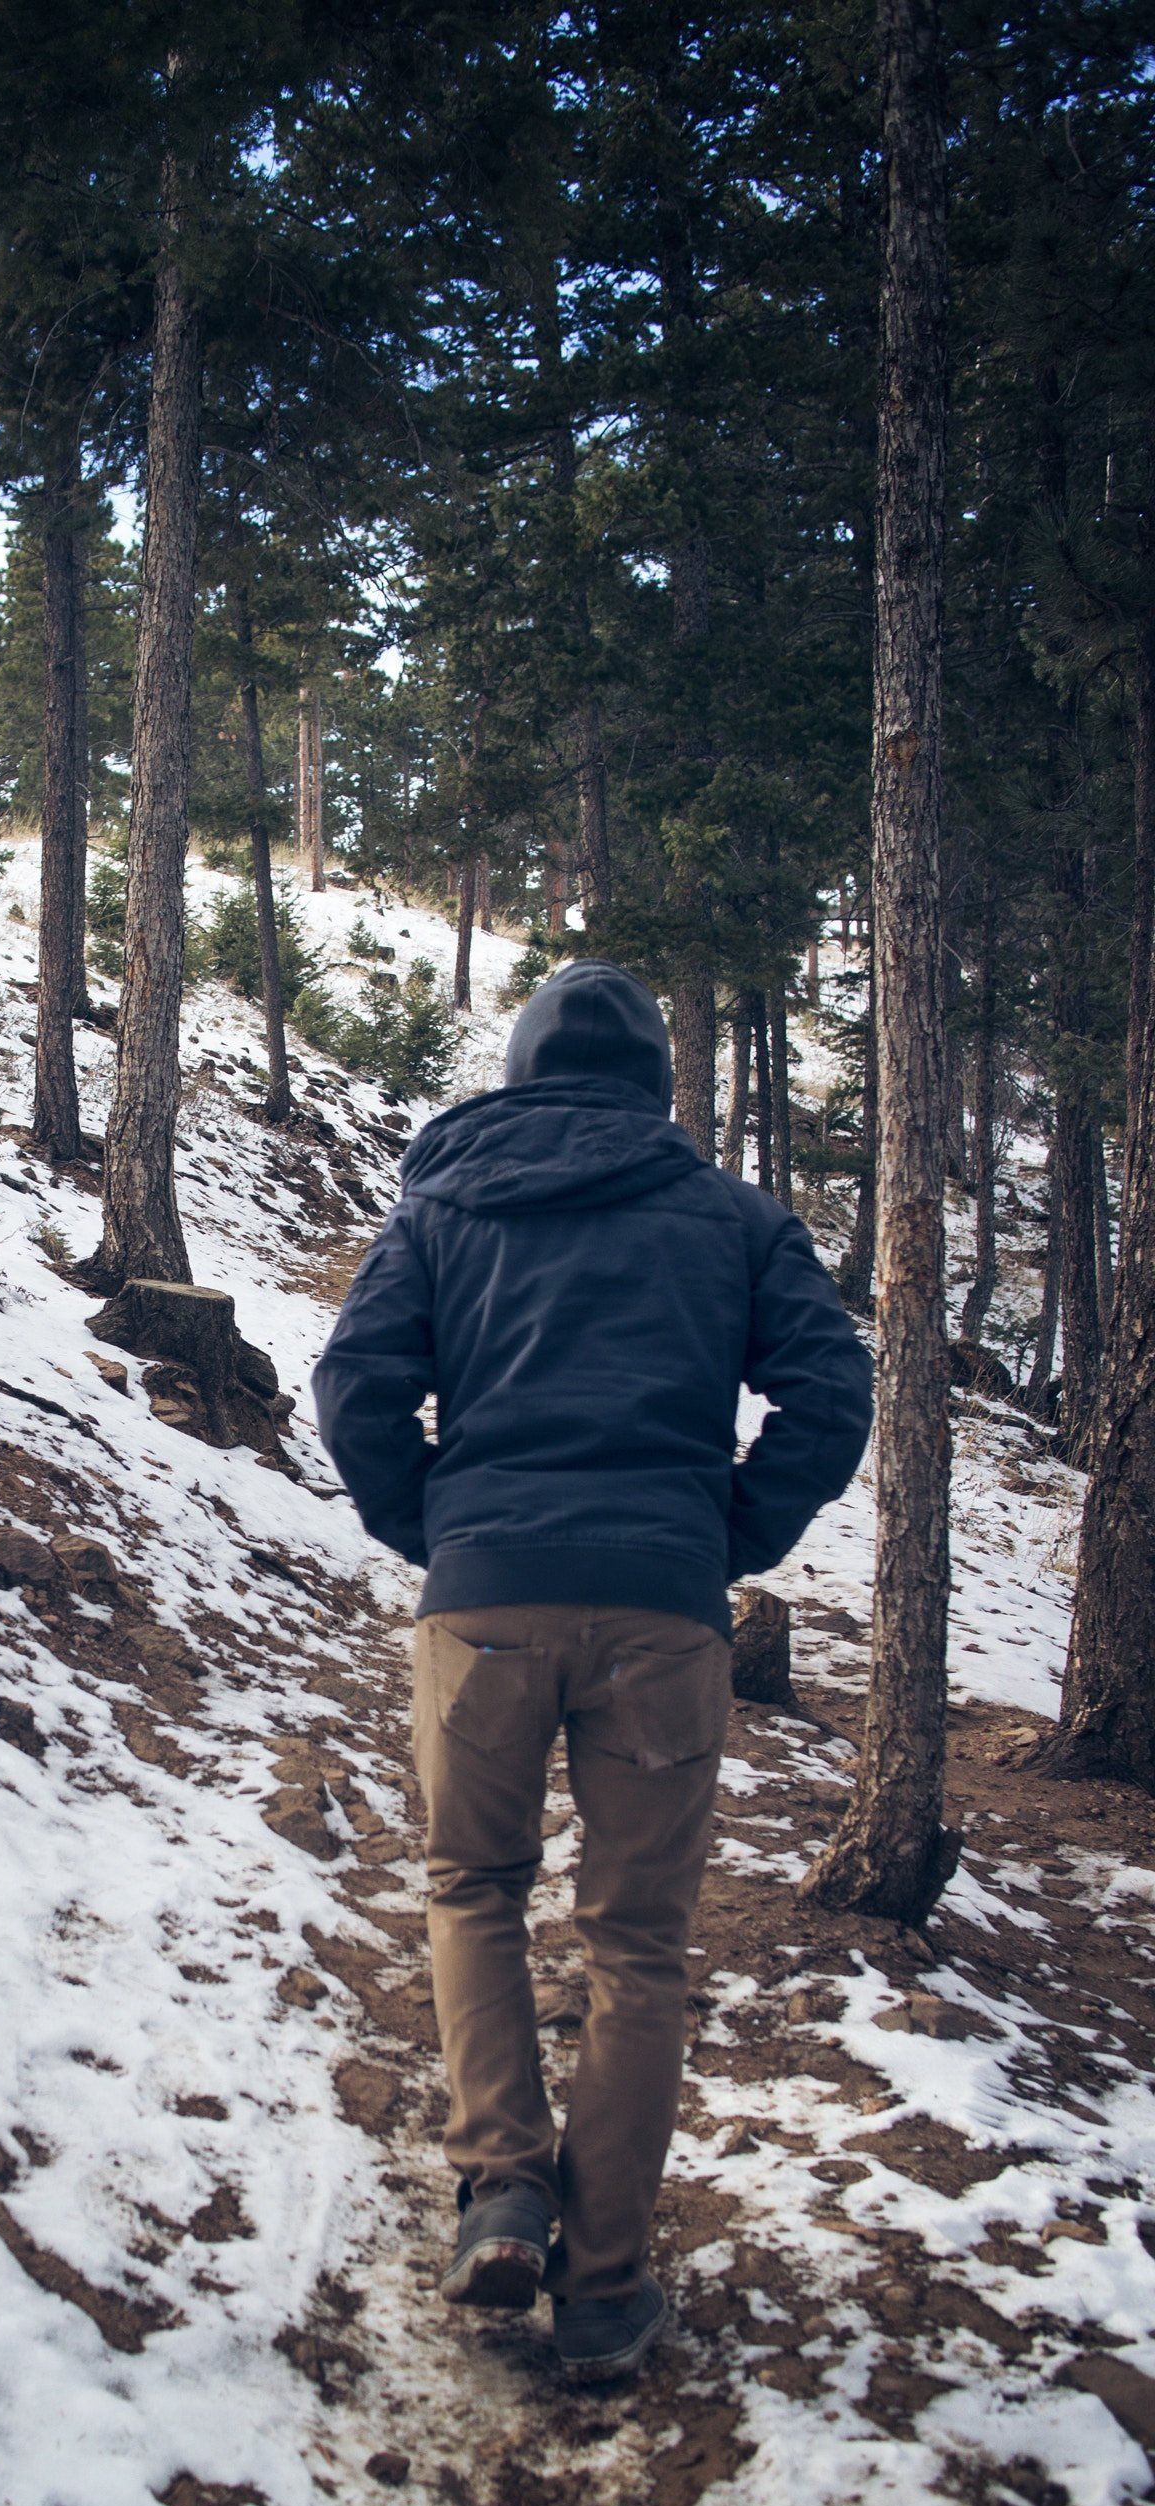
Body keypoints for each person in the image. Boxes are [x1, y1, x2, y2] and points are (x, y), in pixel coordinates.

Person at [313, 960, 872, 2384]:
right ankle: (610, 2285)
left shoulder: (443, 1205)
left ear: (516, 1074)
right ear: (656, 1092)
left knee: (471, 1887)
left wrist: (438, 1526)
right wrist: (726, 1531)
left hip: (486, 1601)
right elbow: (831, 1389)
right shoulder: (735, 1218)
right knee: (639, 1947)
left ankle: (502, 2180)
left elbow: (357, 1386)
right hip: (665, 1612)